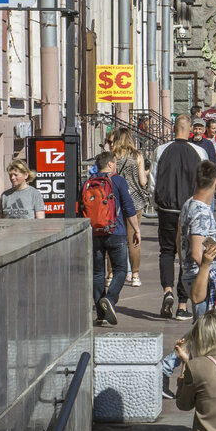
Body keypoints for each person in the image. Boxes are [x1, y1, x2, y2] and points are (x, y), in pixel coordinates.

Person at [154, 116, 208, 319]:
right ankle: (182, 305)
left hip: (166, 209)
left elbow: (153, 179)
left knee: (167, 251)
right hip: (190, 209)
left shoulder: (161, 150)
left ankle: (167, 291)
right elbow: (204, 182)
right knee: (187, 257)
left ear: (174, 129)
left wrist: (156, 204)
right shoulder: (199, 151)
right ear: (190, 130)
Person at [89, 152, 140, 326]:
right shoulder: (118, 181)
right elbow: (128, 207)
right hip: (116, 231)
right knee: (120, 270)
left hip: (95, 233)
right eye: (115, 163)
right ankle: (110, 299)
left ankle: (101, 313)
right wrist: (136, 229)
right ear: (110, 164)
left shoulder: (88, 183)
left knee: (97, 273)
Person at [179, 161, 216, 319]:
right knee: (204, 326)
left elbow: (180, 238)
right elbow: (197, 253)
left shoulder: (189, 204)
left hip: (190, 273)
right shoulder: (201, 212)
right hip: (199, 276)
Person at [113, 130, 149, 284]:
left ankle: (111, 275)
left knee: (114, 237)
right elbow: (142, 182)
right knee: (134, 238)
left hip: (116, 201)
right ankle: (135, 275)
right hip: (135, 201)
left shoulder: (113, 155)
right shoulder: (138, 155)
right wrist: (146, 173)